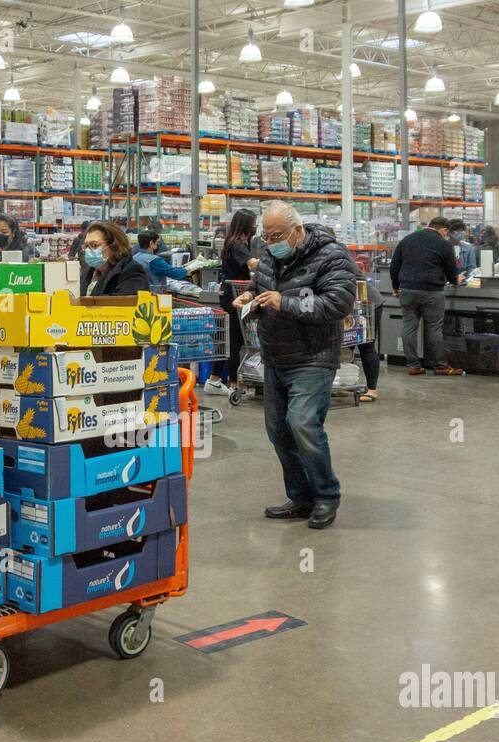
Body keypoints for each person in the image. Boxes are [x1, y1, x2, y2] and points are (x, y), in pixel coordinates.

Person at [231, 201, 356, 530]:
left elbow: (338, 303)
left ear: (297, 231)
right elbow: (261, 288)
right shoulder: (270, 254)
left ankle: (327, 495)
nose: (271, 243)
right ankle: (300, 496)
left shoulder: (332, 255)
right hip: (275, 356)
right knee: (279, 431)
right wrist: (250, 300)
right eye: (267, 236)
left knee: (302, 424)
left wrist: (285, 302)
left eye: (277, 236)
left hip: (313, 356)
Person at [390, 216, 465, 376]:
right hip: (432, 292)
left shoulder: (407, 240)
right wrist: (456, 279)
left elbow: (394, 265)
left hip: (407, 290)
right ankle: (441, 366)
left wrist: (396, 287)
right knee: (434, 328)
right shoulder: (444, 244)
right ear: (444, 230)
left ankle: (413, 365)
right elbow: (452, 273)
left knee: (409, 326)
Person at [206, 208, 258, 397]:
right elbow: (253, 264)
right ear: (246, 225)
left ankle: (215, 379)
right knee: (234, 340)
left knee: (228, 338)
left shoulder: (237, 242)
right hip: (233, 296)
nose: (255, 227)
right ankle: (233, 382)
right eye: (253, 223)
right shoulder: (237, 244)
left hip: (231, 294)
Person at [79, 220, 150, 295]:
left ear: (113, 245)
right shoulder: (87, 273)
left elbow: (123, 303)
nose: (88, 250)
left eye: (94, 245)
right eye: (86, 246)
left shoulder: (132, 271)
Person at [133, 230, 203, 292]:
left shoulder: (134, 258)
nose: (158, 244)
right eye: (157, 242)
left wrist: (182, 267)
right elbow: (176, 274)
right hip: (154, 296)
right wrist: (191, 267)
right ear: (151, 243)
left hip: (138, 295)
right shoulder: (155, 260)